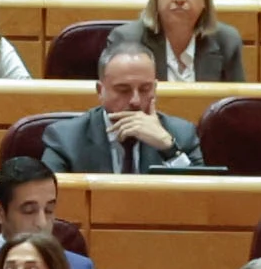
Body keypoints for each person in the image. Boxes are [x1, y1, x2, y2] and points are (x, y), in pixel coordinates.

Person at [35, 31, 211, 179]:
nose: (135, 100)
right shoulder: (66, 140)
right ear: (100, 91)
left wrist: (169, 149)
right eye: (123, 90)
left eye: (145, 89)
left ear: (155, 88)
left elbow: (205, 202)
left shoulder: (181, 134)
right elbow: (50, 197)